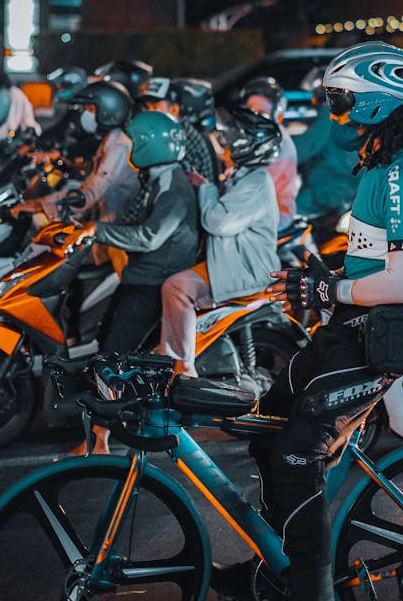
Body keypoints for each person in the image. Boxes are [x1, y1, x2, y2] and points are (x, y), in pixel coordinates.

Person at [217, 42, 403, 601]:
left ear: (373, 103)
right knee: (264, 433)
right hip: (348, 332)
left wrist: (326, 287)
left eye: (338, 99)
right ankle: (284, 570)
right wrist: (328, 277)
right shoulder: (378, 168)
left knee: (297, 459)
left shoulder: (397, 176)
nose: (330, 110)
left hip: (376, 341)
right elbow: (375, 263)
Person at [63, 109, 199, 454]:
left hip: (152, 284)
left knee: (113, 358)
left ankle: (99, 440)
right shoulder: (158, 178)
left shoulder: (174, 188)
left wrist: (99, 231)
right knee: (107, 349)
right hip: (140, 277)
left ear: (150, 146)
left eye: (136, 142)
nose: (130, 148)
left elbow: (150, 236)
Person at [157, 107, 282, 377]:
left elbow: (218, 221)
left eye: (234, 136)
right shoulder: (244, 175)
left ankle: (183, 366)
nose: (224, 140)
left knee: (176, 288)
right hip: (229, 262)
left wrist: (206, 188)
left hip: (244, 270)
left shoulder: (256, 181)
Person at [13, 81, 137, 226]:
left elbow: (90, 195)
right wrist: (41, 201)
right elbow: (86, 183)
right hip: (97, 221)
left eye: (91, 108)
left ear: (108, 111)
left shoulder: (119, 147)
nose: (86, 113)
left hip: (109, 230)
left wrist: (41, 205)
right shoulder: (110, 140)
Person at [239, 76, 300, 231]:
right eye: (251, 111)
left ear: (276, 113)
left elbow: (252, 185)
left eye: (261, 112)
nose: (255, 117)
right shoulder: (259, 138)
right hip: (260, 208)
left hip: (275, 214)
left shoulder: (276, 144)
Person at [294, 74, 358, 218]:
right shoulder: (351, 116)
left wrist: (271, 156)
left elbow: (301, 150)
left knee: (280, 212)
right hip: (348, 191)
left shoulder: (330, 117)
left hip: (328, 192)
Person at [136, 76, 219, 183]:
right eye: (147, 107)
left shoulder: (183, 143)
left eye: (154, 107)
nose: (148, 113)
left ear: (174, 110)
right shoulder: (167, 135)